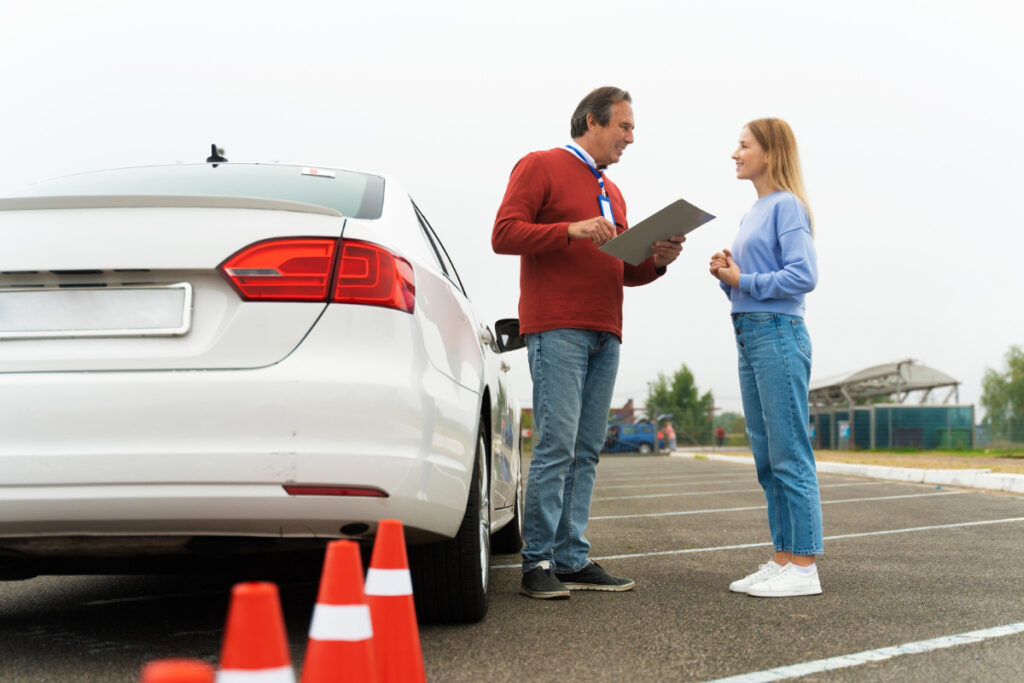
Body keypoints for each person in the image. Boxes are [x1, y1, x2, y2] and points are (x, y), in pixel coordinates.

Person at [492, 86, 687, 599]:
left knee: (586, 449)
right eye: (624, 126)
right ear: (591, 122)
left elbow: (626, 270)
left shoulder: (613, 192)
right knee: (557, 445)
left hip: (607, 330)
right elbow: (504, 234)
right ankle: (537, 562)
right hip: (557, 326)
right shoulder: (539, 165)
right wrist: (570, 229)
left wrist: (658, 259)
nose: (630, 138)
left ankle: (571, 558)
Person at [709, 118, 822, 598]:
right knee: (767, 458)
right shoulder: (754, 211)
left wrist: (743, 280)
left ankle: (804, 568)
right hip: (750, 332)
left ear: (770, 153)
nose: (735, 153)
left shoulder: (788, 205)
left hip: (777, 332)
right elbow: (750, 283)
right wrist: (727, 276)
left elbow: (803, 275)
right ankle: (783, 558)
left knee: (789, 452)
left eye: (744, 145)